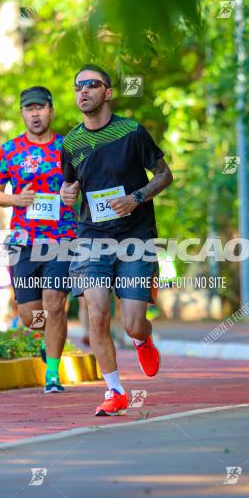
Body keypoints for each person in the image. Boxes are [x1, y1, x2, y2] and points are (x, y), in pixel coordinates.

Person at [60, 64, 173, 416]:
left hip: (136, 235)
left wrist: (136, 198)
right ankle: (115, 391)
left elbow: (165, 174)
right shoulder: (71, 142)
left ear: (107, 93)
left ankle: (143, 338)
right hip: (92, 236)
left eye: (91, 85)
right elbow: (70, 184)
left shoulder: (132, 132)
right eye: (78, 86)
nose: (83, 91)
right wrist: (67, 192)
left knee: (132, 321)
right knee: (97, 313)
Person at [0, 86, 76, 393]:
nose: (35, 113)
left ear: (51, 110)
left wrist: (71, 192)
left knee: (55, 304)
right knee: (30, 316)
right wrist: (15, 200)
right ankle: (46, 337)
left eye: (40, 107)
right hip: (23, 241)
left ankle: (52, 374)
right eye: (29, 109)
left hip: (62, 236)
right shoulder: (10, 150)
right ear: (22, 113)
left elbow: (88, 185)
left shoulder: (70, 146)